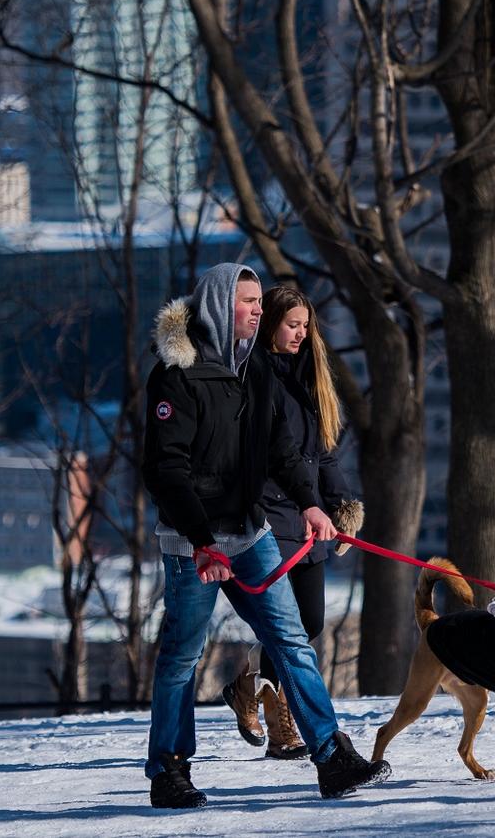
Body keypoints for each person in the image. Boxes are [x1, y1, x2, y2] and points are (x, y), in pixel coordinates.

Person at [141, 263, 390, 808]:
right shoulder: (177, 376)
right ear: (218, 304)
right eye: (248, 301)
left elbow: (281, 447)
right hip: (193, 543)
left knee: (292, 638)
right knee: (182, 655)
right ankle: (169, 770)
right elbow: (165, 470)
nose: (258, 310)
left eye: (259, 302)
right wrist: (202, 541)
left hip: (251, 534)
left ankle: (331, 755)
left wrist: (310, 503)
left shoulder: (253, 368)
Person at [220, 284, 364, 759]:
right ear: (269, 324)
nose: (300, 334)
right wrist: (296, 506)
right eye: (291, 325)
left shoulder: (310, 376)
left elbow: (325, 452)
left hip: (309, 517)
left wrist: (341, 507)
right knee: (285, 630)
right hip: (271, 516)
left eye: (305, 326)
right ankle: (283, 726)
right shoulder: (253, 372)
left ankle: (247, 686)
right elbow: (261, 455)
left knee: (311, 621)